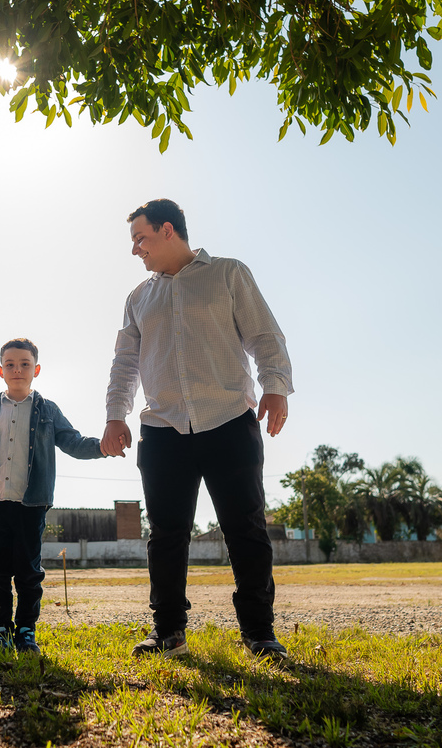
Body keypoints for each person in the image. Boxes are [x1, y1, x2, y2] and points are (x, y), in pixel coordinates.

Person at [101, 199, 294, 660]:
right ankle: (168, 632)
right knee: (166, 535)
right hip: (163, 429)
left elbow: (264, 336)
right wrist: (115, 414)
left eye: (140, 239)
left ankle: (259, 634)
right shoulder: (138, 298)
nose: (135, 250)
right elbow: (125, 362)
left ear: (168, 230)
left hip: (228, 420)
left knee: (245, 528)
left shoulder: (228, 274)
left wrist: (276, 386)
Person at [0, 338, 108, 655]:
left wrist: (102, 447)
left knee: (29, 572)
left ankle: (26, 632)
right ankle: (0, 631)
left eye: (25, 364)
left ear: (37, 369)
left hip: (32, 504)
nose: (18, 370)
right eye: (11, 364)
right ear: (1, 370)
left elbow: (73, 441)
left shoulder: (48, 411)